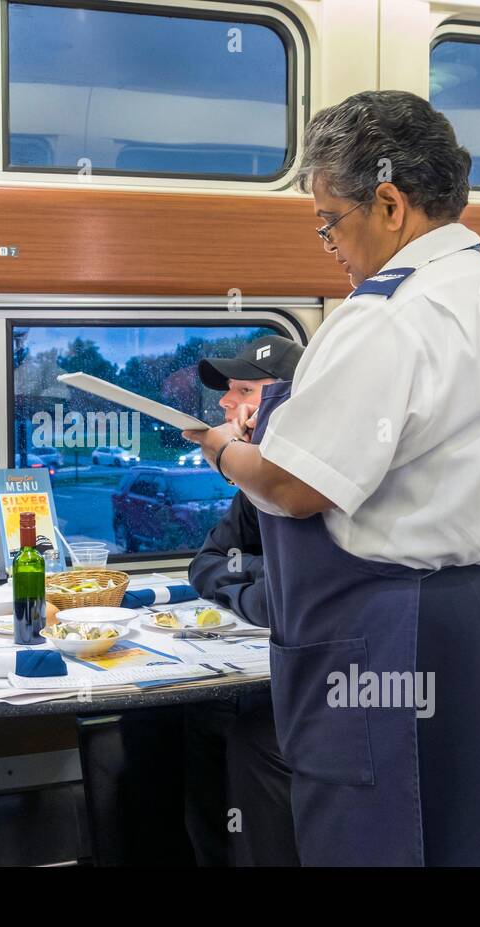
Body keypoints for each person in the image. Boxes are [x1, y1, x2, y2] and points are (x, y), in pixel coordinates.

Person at [182, 90, 480, 866]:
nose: (328, 242)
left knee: (382, 836)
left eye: (330, 220)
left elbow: (297, 487)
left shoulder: (387, 315)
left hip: (398, 634)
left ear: (390, 203)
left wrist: (223, 448)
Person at [182, 334, 301, 866]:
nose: (227, 405)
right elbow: (206, 564)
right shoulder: (257, 482)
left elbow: (296, 594)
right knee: (178, 721)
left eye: (244, 390)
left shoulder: (303, 480)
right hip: (285, 664)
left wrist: (255, 581)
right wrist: (257, 574)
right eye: (227, 391)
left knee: (250, 733)